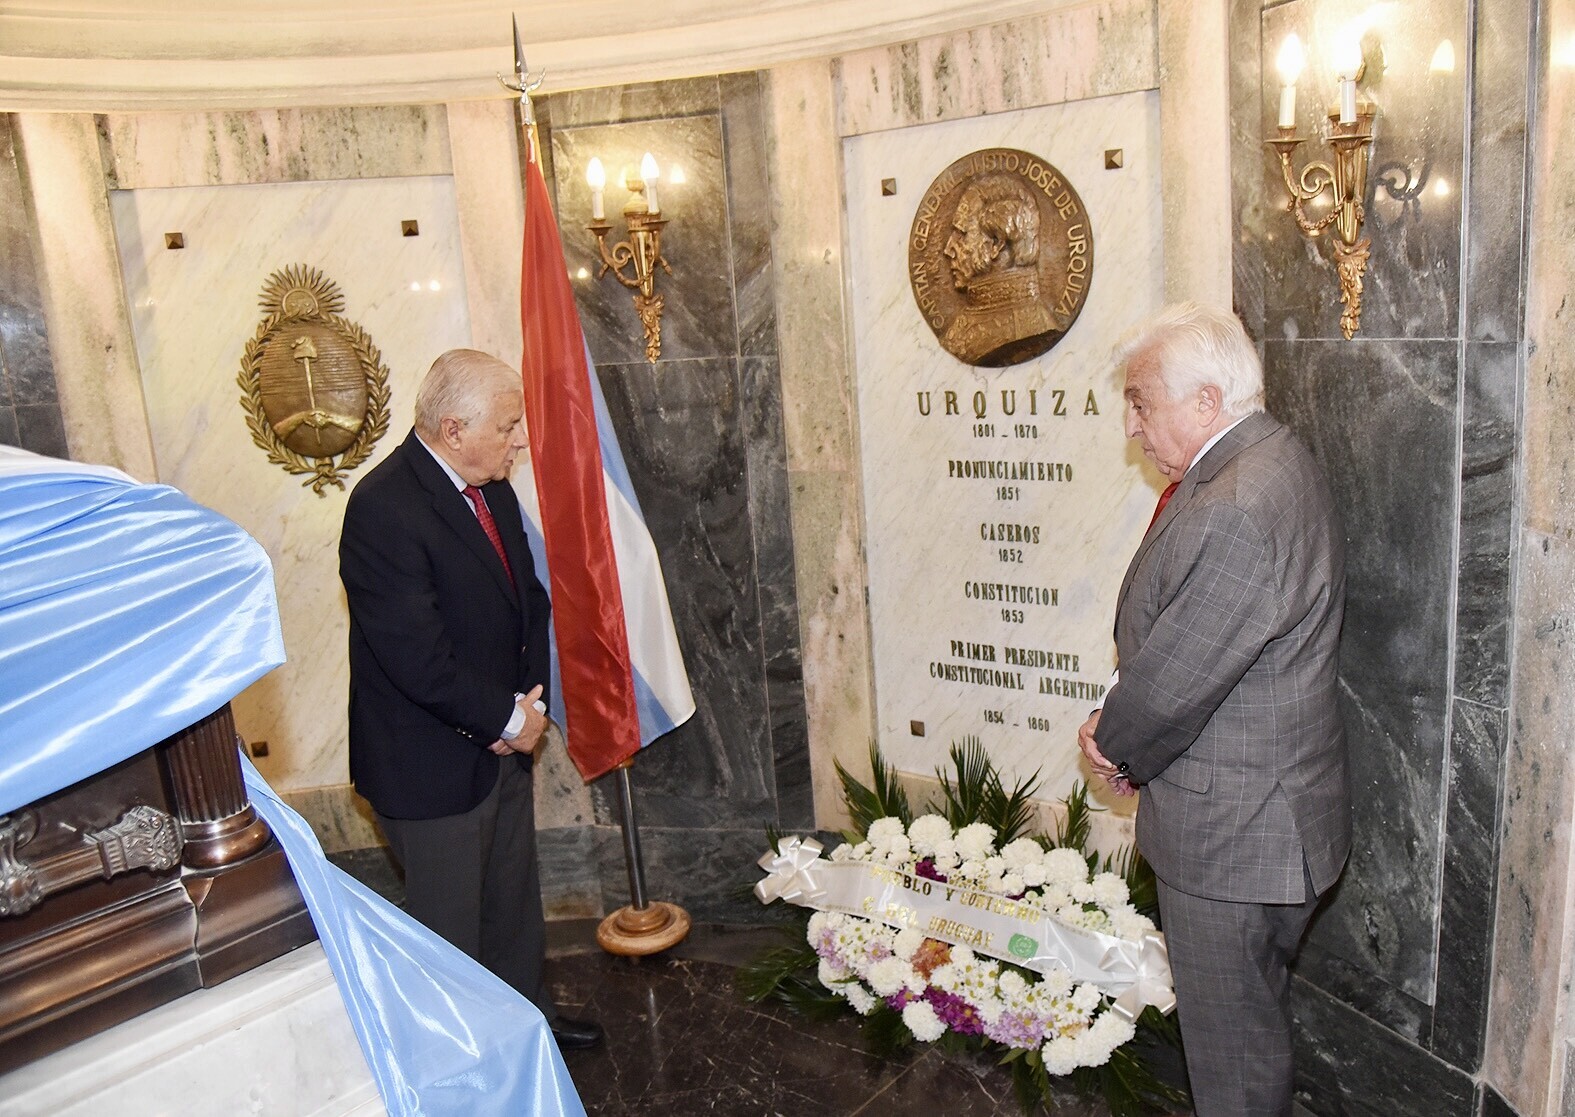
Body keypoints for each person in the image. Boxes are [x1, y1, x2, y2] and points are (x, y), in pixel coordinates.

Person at [1077, 303, 1349, 1115]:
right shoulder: (1265, 458)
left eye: (1140, 401)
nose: (1132, 428)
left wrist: (1112, 744)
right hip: (1266, 818)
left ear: (1203, 401)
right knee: (1247, 1028)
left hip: (1236, 838)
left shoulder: (1235, 503)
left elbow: (1175, 682)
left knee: (1230, 1057)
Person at [339, 348, 603, 1050]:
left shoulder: (493, 488)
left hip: (501, 745)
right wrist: (506, 718)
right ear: (454, 429)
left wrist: (522, 709)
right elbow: (414, 656)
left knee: (512, 908)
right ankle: (463, 1065)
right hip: (429, 766)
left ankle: (526, 1030)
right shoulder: (383, 507)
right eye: (509, 426)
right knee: (450, 934)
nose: (520, 440)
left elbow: (529, 605)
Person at [940, 173, 1061, 366]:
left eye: (962, 234)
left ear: (996, 244)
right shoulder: (968, 320)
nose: (948, 249)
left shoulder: (1026, 329)